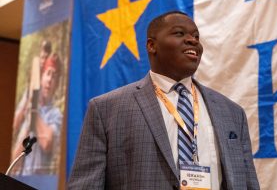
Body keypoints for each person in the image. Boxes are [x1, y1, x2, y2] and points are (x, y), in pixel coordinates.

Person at [68, 11, 259, 189]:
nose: (192, 40)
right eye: (179, 33)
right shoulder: (106, 109)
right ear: (152, 45)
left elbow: (249, 182)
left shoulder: (232, 112)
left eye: (196, 36)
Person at [12, 53, 62, 175]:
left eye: (54, 76)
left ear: (56, 84)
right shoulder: (28, 105)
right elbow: (13, 162)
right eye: (48, 73)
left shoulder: (56, 115)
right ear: (41, 77)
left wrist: (34, 110)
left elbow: (47, 143)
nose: (50, 80)